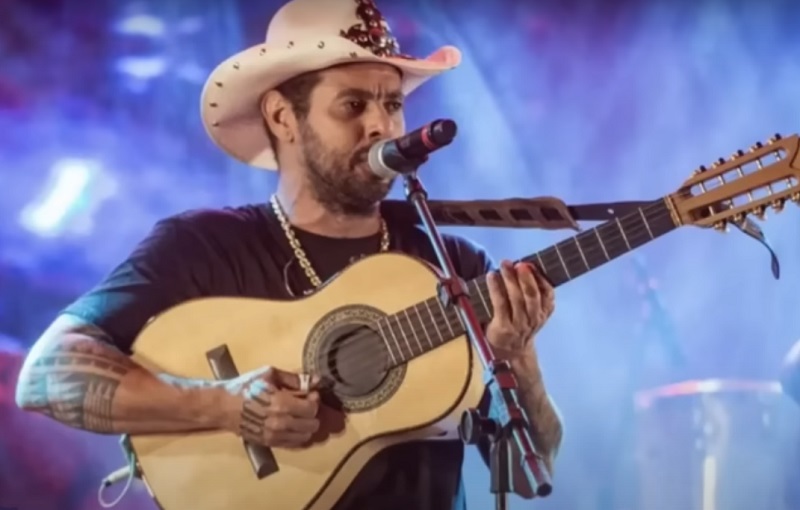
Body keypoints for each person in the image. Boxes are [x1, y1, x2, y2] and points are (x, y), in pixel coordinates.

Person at [14, 0, 564, 508]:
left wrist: (519, 358)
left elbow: (526, 476)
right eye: (353, 104)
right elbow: (44, 376)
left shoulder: (452, 264)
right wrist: (225, 403)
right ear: (282, 117)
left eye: (393, 104)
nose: (381, 124)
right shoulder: (202, 247)